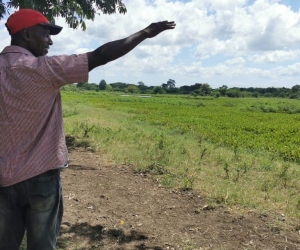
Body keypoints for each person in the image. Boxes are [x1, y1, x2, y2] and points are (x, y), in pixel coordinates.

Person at [0, 8, 176, 250]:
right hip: (40, 177)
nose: (50, 41)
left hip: (3, 179)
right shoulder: (45, 69)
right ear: (27, 34)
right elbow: (101, 55)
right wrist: (146, 32)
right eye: (46, 34)